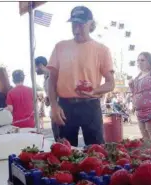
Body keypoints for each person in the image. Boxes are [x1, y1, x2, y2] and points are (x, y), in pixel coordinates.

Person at [47, 6, 115, 146]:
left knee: (96, 151)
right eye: (74, 24)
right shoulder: (60, 47)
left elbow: (110, 83)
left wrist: (94, 90)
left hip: (90, 106)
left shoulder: (102, 50)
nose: (76, 29)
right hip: (65, 107)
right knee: (63, 152)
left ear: (90, 24)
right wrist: (54, 106)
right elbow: (51, 80)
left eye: (81, 24)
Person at [35, 56, 58, 138]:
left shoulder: (55, 75)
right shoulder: (45, 78)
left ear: (40, 65)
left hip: (60, 111)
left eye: (35, 67)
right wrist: (48, 99)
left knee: (62, 140)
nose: (35, 70)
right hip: (53, 112)